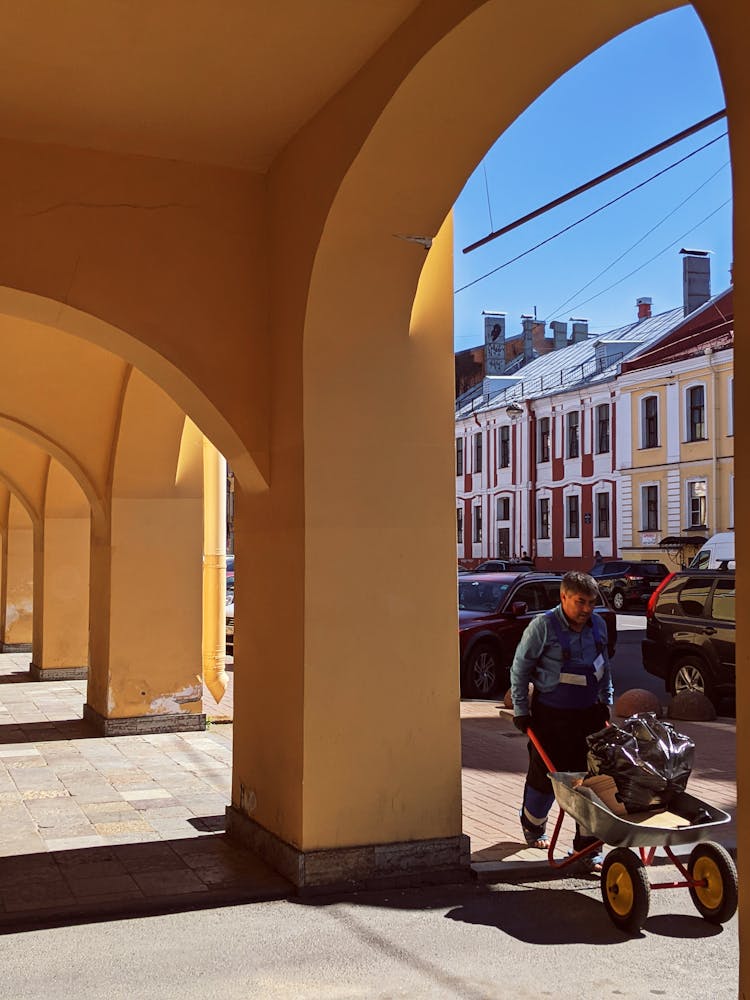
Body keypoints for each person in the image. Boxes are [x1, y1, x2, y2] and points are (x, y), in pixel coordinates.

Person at [510, 570, 613, 871]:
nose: (587, 609)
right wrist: (521, 711)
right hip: (551, 717)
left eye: (592, 603)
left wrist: (606, 701)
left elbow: (605, 667)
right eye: (581, 602)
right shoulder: (542, 627)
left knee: (592, 781)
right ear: (563, 597)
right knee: (547, 778)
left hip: (588, 714)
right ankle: (532, 824)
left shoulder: (598, 627)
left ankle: (587, 848)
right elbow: (520, 669)